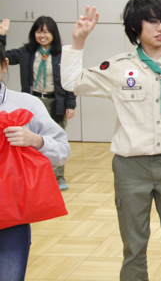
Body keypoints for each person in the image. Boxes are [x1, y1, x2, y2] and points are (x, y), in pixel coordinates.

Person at [60, 0, 161, 281]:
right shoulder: (118, 66)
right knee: (134, 248)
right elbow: (72, 82)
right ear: (134, 28)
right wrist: (78, 41)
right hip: (131, 168)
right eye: (152, 21)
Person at [0, 43, 70, 281]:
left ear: (4, 65)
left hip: (12, 215)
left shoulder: (26, 105)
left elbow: (63, 150)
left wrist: (35, 140)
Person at [0, 17, 76, 191]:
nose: (42, 35)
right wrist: (2, 37)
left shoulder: (60, 54)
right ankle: (34, 174)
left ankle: (58, 177)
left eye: (46, 31)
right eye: (38, 31)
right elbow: (4, 57)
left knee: (52, 136)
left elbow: (69, 81)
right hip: (33, 96)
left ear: (53, 34)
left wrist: (70, 104)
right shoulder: (26, 52)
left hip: (54, 100)